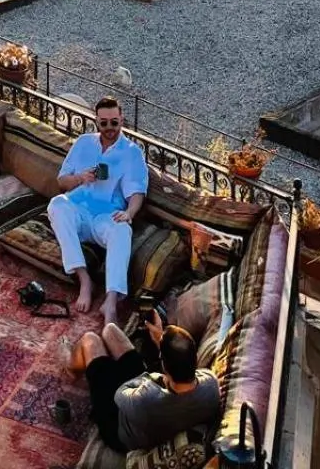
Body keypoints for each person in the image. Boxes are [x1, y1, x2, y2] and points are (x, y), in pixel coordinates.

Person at [48, 96, 148, 319]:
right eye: (104, 123)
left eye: (114, 122)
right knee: (57, 204)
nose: (109, 128)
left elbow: (137, 192)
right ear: (96, 121)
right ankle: (85, 280)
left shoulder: (132, 153)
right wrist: (80, 178)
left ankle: (110, 300)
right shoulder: (83, 142)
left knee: (123, 229)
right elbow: (61, 182)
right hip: (78, 210)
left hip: (105, 216)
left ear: (122, 120)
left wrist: (129, 213)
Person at [66, 313, 221, 456]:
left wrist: (151, 377)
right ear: (195, 357)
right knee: (110, 330)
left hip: (119, 423)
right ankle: (96, 360)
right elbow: (178, 369)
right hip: (148, 398)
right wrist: (160, 339)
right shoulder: (211, 385)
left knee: (90, 340)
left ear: (164, 367)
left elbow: (120, 393)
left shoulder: (146, 399)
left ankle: (70, 365)